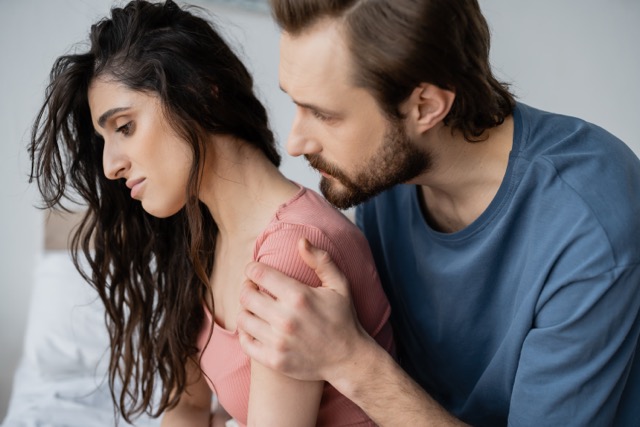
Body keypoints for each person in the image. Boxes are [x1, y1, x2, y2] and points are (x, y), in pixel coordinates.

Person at [236, 0, 640, 425]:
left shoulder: (589, 223)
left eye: (324, 115)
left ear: (426, 107)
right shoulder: (383, 177)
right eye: (296, 105)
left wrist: (348, 360)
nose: (296, 143)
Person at [27, 1, 394, 426]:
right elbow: (187, 407)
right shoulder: (204, 241)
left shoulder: (294, 252)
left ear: (199, 92)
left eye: (125, 127)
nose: (111, 165)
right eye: (105, 139)